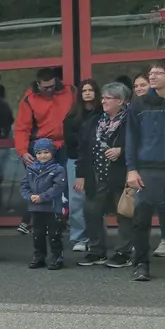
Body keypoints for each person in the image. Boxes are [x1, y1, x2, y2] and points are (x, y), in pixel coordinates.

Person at [126, 58, 165, 281]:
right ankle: (141, 266)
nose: (152, 76)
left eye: (158, 73)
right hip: (147, 171)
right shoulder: (139, 104)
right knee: (141, 221)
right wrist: (131, 169)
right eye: (151, 73)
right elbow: (131, 139)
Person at [78, 81, 134, 268]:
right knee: (91, 212)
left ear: (120, 101)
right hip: (96, 175)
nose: (102, 101)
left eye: (107, 98)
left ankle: (123, 252)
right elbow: (83, 148)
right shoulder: (96, 121)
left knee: (124, 214)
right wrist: (81, 174)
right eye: (102, 98)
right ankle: (96, 251)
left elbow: (142, 145)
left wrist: (122, 150)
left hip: (120, 175)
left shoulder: (132, 120)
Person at [64, 79, 101, 250]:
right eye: (84, 90)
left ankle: (98, 236)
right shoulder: (72, 116)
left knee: (98, 199)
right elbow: (70, 140)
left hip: (99, 160)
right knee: (77, 200)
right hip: (75, 160)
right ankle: (79, 237)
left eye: (91, 90)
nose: (87, 93)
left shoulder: (103, 113)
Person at [21, 139, 68, 269]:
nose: (43, 156)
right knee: (38, 234)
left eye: (46, 152)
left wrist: (42, 197)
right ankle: (39, 257)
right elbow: (24, 186)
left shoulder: (58, 169)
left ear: (52, 153)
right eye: (39, 153)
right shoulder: (30, 169)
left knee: (54, 234)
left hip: (52, 207)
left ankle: (57, 258)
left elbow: (58, 187)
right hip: (36, 207)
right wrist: (29, 196)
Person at [14, 66, 72, 167]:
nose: (49, 89)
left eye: (52, 86)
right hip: (41, 146)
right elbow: (22, 128)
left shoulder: (70, 91)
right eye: (46, 87)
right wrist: (23, 152)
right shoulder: (30, 98)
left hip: (66, 144)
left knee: (66, 181)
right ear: (38, 84)